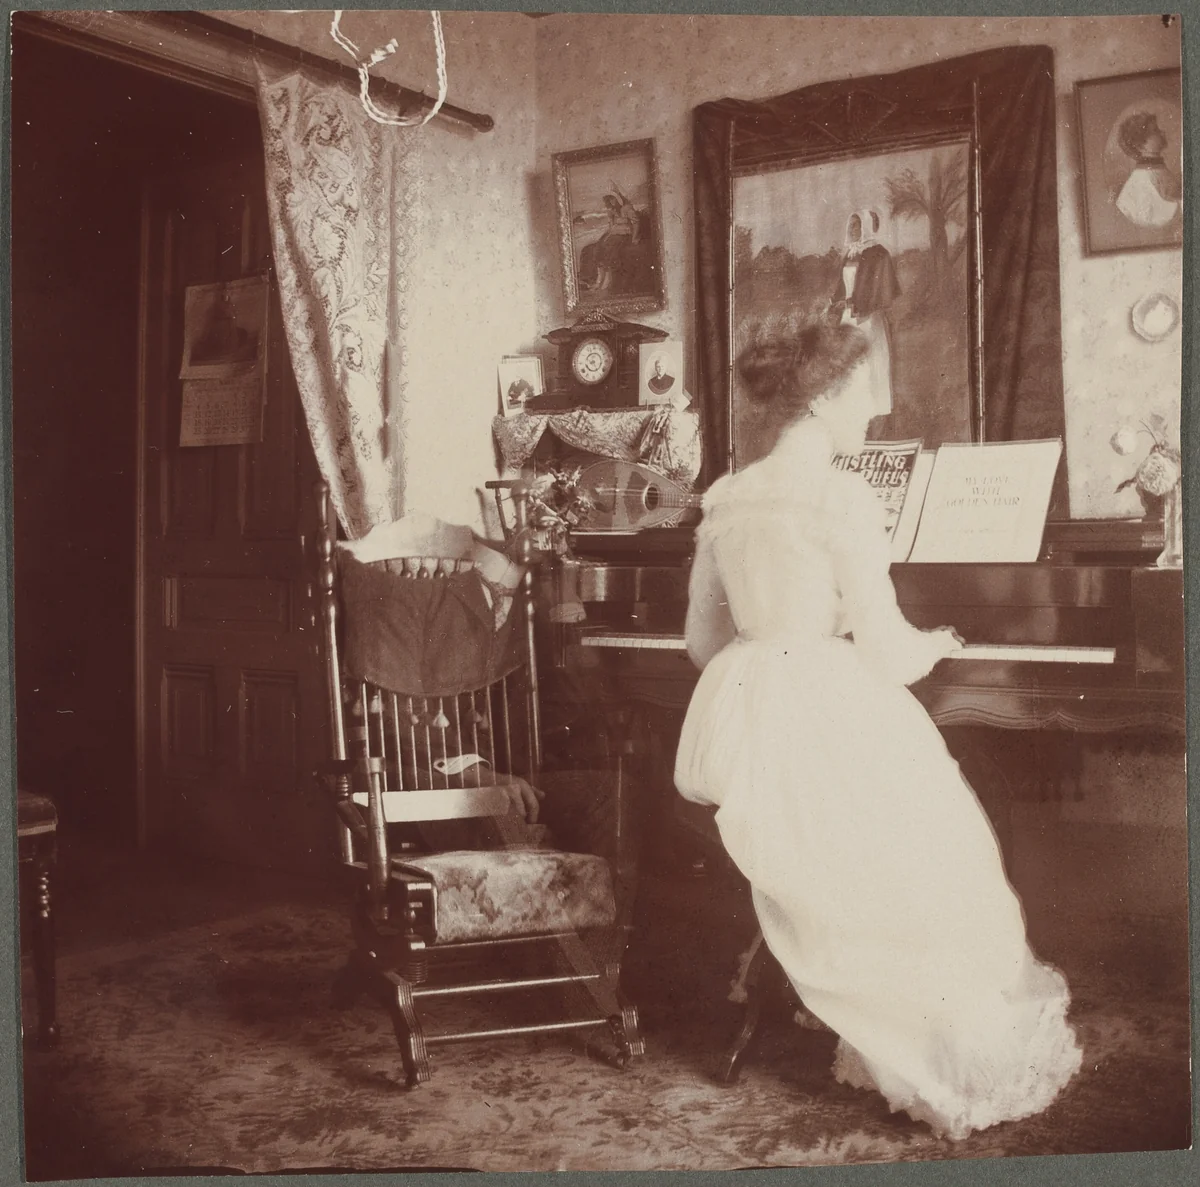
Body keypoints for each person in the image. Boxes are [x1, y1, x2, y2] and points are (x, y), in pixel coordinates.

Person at [674, 318, 1082, 1140]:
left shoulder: (725, 498)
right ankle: (926, 1037)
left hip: (750, 710)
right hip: (826, 696)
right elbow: (888, 649)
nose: (875, 408)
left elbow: (700, 642)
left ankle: (813, 990)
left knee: (867, 838)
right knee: (924, 842)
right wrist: (936, 643)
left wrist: (767, 660)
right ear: (823, 394)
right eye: (863, 390)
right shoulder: (840, 493)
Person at [830, 209, 899, 419]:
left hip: (867, 318)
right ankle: (851, 413)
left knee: (869, 364)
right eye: (850, 225)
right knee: (848, 366)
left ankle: (873, 412)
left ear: (866, 226)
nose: (852, 230)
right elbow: (842, 287)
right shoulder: (849, 253)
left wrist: (859, 304)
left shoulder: (878, 253)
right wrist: (835, 303)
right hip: (848, 319)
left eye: (857, 225)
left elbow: (881, 290)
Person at [1114, 111, 1181, 229]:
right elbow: (1159, 215)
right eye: (1155, 131)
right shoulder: (1142, 178)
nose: (1162, 133)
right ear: (1140, 145)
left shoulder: (1158, 168)